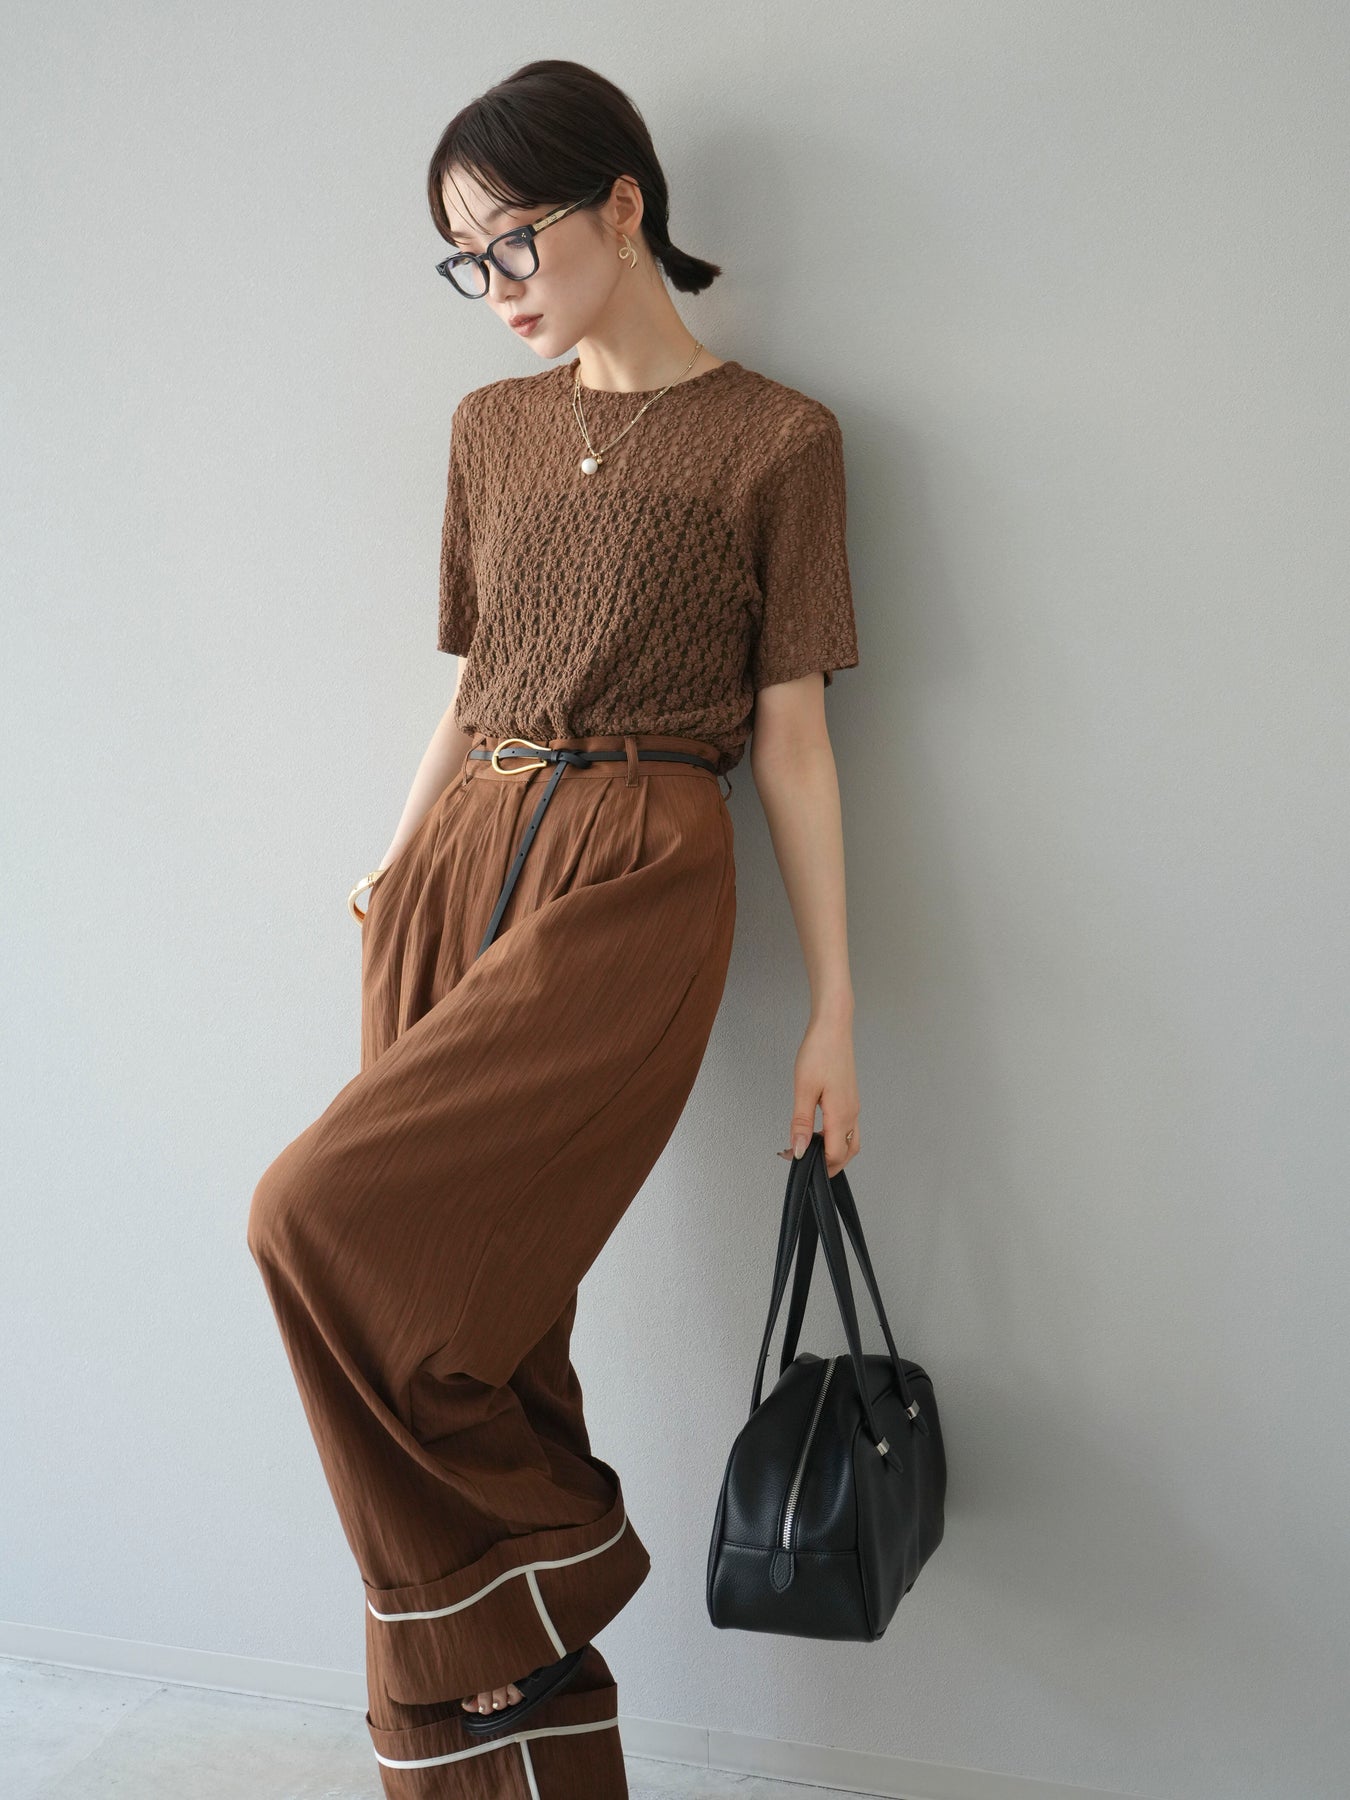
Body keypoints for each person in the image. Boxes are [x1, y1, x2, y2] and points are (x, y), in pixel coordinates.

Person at [247, 55, 862, 1800]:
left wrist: (833, 1010)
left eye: (513, 238)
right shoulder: (489, 428)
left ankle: (554, 1571)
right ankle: (516, 1755)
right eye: (465, 258)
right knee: (466, 1333)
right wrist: (391, 864)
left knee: (312, 1218)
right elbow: (473, 684)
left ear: (623, 205)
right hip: (457, 861)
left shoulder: (779, 439)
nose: (496, 284)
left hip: (637, 859)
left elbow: (794, 738)